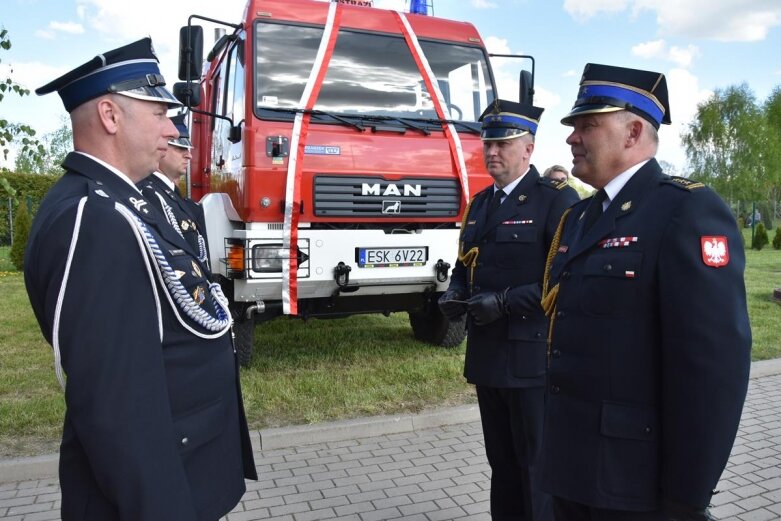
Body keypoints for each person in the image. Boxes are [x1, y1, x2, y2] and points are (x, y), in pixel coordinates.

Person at [24, 38, 257, 520]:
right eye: (158, 113)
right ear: (110, 116)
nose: (172, 128)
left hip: (187, 465)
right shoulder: (93, 218)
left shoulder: (123, 202)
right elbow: (117, 408)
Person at [538, 63, 751, 520]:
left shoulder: (685, 211)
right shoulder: (579, 218)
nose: (572, 137)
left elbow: (712, 368)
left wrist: (687, 496)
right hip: (571, 468)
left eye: (587, 125)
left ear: (633, 132)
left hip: (636, 485)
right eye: (574, 126)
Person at [438, 99, 579, 521]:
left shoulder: (555, 199)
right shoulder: (481, 203)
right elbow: (467, 262)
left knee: (535, 466)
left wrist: (502, 302)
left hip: (531, 357)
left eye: (503, 143)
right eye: (488, 143)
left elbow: (562, 279)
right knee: (501, 464)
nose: (492, 152)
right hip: (487, 357)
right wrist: (453, 294)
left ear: (529, 149)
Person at [139, 113, 210, 270]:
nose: (189, 155)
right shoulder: (149, 196)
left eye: (189, 148)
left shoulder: (174, 198)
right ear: (160, 148)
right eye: (180, 148)